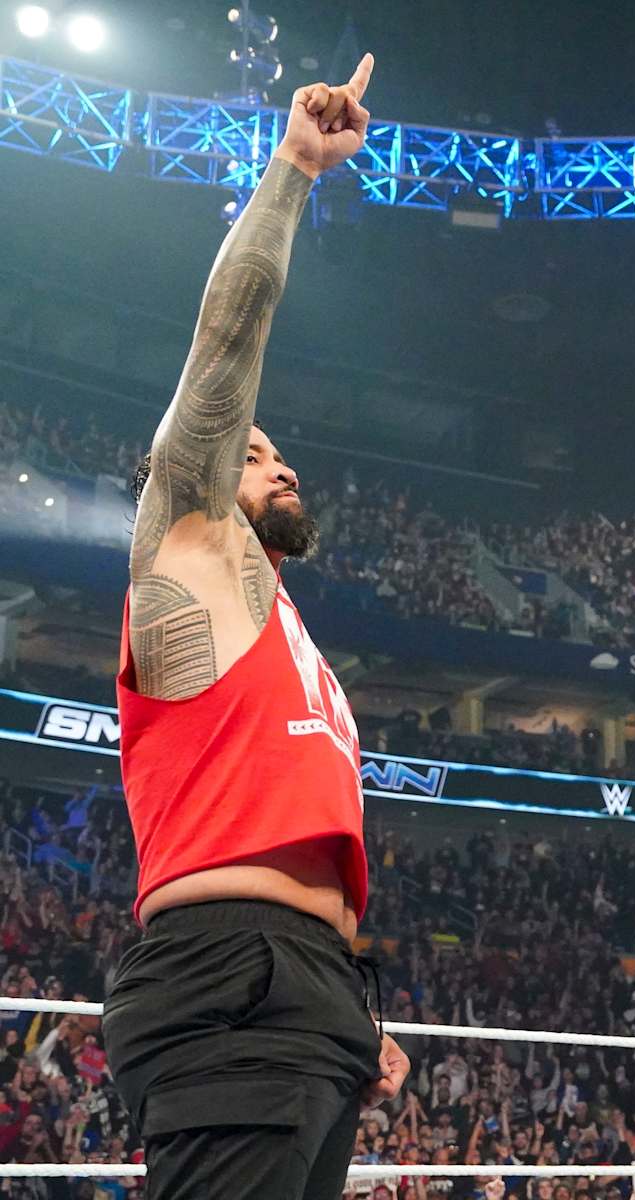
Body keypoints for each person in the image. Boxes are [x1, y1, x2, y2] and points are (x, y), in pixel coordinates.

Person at [101, 54, 409, 1199]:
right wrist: (293, 172)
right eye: (256, 451)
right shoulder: (187, 543)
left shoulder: (286, 627)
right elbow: (226, 347)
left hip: (306, 982)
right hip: (227, 967)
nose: (278, 463)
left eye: (284, 453)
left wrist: (345, 1005)